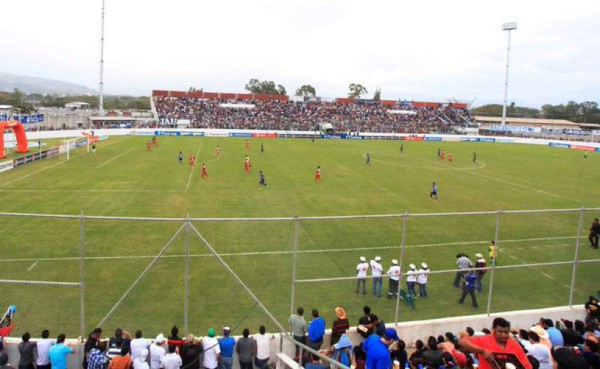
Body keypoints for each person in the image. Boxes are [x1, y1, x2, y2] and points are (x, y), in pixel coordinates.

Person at [458, 317, 532, 369]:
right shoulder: (484, 339)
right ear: (494, 329)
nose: (503, 335)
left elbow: (527, 366)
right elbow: (462, 341)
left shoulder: (514, 344)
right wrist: (482, 351)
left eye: (506, 332)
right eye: (500, 331)